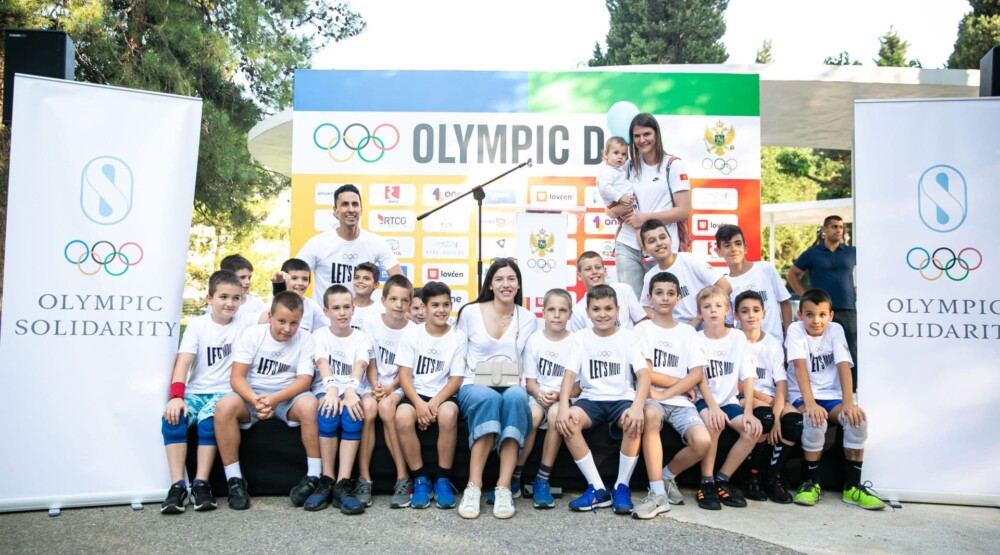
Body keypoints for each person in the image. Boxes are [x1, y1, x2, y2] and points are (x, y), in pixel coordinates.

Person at [213, 291, 319, 511]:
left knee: (310, 406)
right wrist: (256, 400)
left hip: (287, 396)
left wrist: (275, 399)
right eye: (282, 321)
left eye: (294, 323)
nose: (287, 329)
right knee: (224, 407)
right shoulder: (253, 334)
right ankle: (235, 480)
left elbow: (304, 381)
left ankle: (314, 476)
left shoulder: (306, 338)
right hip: (253, 395)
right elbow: (237, 377)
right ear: (270, 316)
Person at [159, 271, 253, 514]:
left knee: (208, 422)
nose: (229, 303)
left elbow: (275, 313)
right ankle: (178, 487)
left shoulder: (246, 323)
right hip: (196, 392)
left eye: (235, 298)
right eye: (223, 297)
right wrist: (176, 397)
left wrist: (279, 286)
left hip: (226, 394)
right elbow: (183, 362)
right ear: (209, 298)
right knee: (173, 419)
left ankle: (201, 484)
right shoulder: (198, 325)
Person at [555, 284, 652, 515]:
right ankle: (598, 488)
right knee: (569, 421)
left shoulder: (628, 337)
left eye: (608, 308)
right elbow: (569, 375)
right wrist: (563, 407)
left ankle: (621, 487)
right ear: (587, 312)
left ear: (618, 310)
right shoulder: (580, 338)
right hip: (591, 400)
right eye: (596, 309)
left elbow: (644, 375)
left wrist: (637, 406)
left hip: (621, 399)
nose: (602, 314)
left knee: (633, 420)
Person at [454, 258, 538, 519]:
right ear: (490, 284)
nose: (505, 284)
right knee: (488, 398)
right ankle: (474, 486)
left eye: (511, 279)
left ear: (519, 284)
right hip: (474, 384)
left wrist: (534, 389)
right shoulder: (470, 312)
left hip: (511, 383)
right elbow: (458, 353)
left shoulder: (528, 318)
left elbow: (529, 359)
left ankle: (503, 487)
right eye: (499, 279)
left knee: (516, 398)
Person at [786, 289, 884, 510]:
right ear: (800, 315)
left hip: (831, 396)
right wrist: (810, 404)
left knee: (857, 421)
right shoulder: (795, 330)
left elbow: (843, 366)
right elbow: (799, 367)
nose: (816, 320)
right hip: (802, 395)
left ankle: (852, 488)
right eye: (809, 314)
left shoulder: (836, 329)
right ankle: (811, 484)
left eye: (822, 315)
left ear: (830, 315)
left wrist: (848, 403)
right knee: (815, 421)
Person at [633, 272, 711, 519]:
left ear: (678, 298)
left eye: (670, 293)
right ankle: (657, 492)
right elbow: (646, 373)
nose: (664, 298)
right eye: (659, 293)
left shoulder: (687, 332)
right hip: (651, 397)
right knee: (651, 414)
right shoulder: (642, 329)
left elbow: (697, 373)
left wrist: (668, 392)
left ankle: (667, 476)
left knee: (703, 442)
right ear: (650, 297)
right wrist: (679, 386)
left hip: (677, 400)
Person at [394, 281, 465, 511]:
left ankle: (443, 479)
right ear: (424, 307)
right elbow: (404, 376)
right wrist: (419, 404)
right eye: (435, 305)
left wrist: (433, 404)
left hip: (442, 395)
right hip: (417, 394)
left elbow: (456, 379)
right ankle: (420, 479)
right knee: (402, 416)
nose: (441, 310)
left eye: (446, 304)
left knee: (448, 414)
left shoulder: (458, 336)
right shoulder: (412, 333)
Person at [302, 284, 371, 514]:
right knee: (328, 413)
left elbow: (361, 364)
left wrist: (350, 390)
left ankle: (343, 483)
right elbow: (322, 361)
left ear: (353, 309)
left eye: (346, 307)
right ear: (326, 311)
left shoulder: (362, 338)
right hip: (326, 387)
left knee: (352, 415)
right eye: (336, 308)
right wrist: (331, 389)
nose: (342, 313)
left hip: (352, 388)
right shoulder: (318, 335)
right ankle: (327, 479)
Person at [692, 286, 762, 511]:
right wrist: (713, 407)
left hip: (729, 401)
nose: (713, 311)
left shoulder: (737, 337)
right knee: (715, 423)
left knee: (752, 430)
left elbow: (748, 375)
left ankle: (722, 479)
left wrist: (748, 411)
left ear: (728, 311)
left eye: (718, 306)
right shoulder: (696, 339)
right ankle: (706, 482)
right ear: (699, 312)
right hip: (704, 400)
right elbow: (699, 378)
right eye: (707, 307)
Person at [608, 113, 692, 298]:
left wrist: (645, 219)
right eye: (636, 136)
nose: (642, 140)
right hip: (628, 244)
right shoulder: (627, 167)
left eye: (647, 134)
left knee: (662, 303)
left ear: (656, 134)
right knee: (630, 302)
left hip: (660, 245)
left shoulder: (673, 165)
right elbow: (610, 208)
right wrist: (617, 211)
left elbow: (683, 211)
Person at [733, 291, 798, 504]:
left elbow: (781, 383)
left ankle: (773, 476)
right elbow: (733, 381)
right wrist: (764, 400)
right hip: (744, 395)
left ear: (764, 313)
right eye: (745, 311)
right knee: (765, 417)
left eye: (755, 310)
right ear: (736, 316)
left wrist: (778, 416)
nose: (751, 315)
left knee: (794, 422)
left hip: (771, 397)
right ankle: (752, 476)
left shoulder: (772, 343)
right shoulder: (733, 340)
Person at [295, 183, 402, 305]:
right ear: (335, 211)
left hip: (361, 315)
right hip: (324, 316)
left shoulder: (376, 242)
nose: (351, 209)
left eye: (355, 204)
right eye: (345, 204)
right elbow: (293, 278)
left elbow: (400, 282)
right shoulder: (317, 243)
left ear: (361, 210)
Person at [518, 288, 576, 509]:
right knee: (533, 415)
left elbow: (578, 386)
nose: (557, 315)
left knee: (555, 415)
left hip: (563, 397)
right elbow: (530, 381)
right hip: (538, 395)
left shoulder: (576, 342)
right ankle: (515, 474)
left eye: (562, 310)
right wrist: (538, 393)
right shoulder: (534, 340)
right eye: (551, 310)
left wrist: (560, 395)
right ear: (543, 312)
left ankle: (542, 479)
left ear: (570, 314)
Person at [363, 274, 416, 508]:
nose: (399, 305)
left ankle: (402, 477)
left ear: (410, 303)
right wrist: (375, 384)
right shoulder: (371, 323)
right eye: (393, 299)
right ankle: (364, 479)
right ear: (383, 300)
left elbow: (406, 371)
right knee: (368, 408)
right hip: (372, 383)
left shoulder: (414, 330)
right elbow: (369, 360)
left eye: (404, 300)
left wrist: (390, 388)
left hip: (399, 384)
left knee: (386, 407)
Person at [786, 215, 857, 388]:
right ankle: (819, 387)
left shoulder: (852, 252)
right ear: (824, 229)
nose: (838, 230)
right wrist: (805, 296)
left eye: (841, 227)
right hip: (819, 312)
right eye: (834, 226)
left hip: (847, 308)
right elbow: (792, 274)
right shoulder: (812, 253)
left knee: (851, 350)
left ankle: (852, 390)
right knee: (819, 351)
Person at [639, 219, 731, 326]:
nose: (659, 243)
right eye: (652, 241)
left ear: (671, 239)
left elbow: (725, 287)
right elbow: (645, 306)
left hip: (705, 325)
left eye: (662, 237)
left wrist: (701, 316)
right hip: (674, 330)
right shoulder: (650, 276)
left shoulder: (689, 260)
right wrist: (664, 322)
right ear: (645, 249)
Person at [715, 224, 792, 340]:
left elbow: (784, 302)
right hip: (745, 346)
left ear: (745, 247)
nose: (734, 249)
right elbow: (729, 323)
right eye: (727, 245)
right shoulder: (725, 285)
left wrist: (788, 338)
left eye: (738, 243)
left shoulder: (765, 268)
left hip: (775, 342)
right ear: (719, 252)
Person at [568, 251, 646, 332]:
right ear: (579, 276)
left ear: (605, 271)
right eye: (588, 269)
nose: (594, 272)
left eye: (598, 267)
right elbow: (578, 338)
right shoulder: (577, 311)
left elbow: (641, 321)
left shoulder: (624, 290)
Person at [267, 258, 329, 333]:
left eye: (305, 279)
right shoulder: (272, 304)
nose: (300, 283)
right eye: (294, 278)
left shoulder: (313, 307)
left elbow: (329, 328)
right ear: (284, 279)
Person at [596, 136, 634, 241]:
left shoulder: (617, 170)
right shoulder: (607, 171)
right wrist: (620, 197)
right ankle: (642, 247)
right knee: (635, 224)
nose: (620, 157)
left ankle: (617, 246)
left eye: (624, 154)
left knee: (624, 225)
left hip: (622, 202)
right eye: (616, 153)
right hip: (618, 203)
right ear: (606, 154)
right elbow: (604, 188)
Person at [351, 262, 385, 331]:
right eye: (357, 278)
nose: (360, 281)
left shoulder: (381, 310)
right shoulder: (342, 305)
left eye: (366, 278)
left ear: (376, 285)